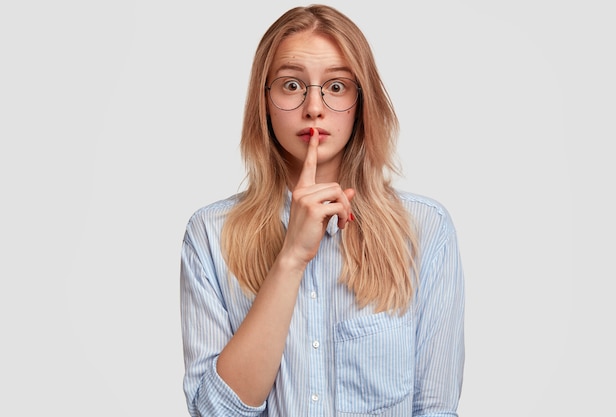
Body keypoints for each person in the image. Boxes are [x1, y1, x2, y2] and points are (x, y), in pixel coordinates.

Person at [179, 4, 464, 416]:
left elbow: (435, 410)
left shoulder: (424, 229)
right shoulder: (209, 235)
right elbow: (214, 413)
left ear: (362, 102)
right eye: (291, 85)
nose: (314, 107)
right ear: (264, 101)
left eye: (336, 86)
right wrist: (291, 258)